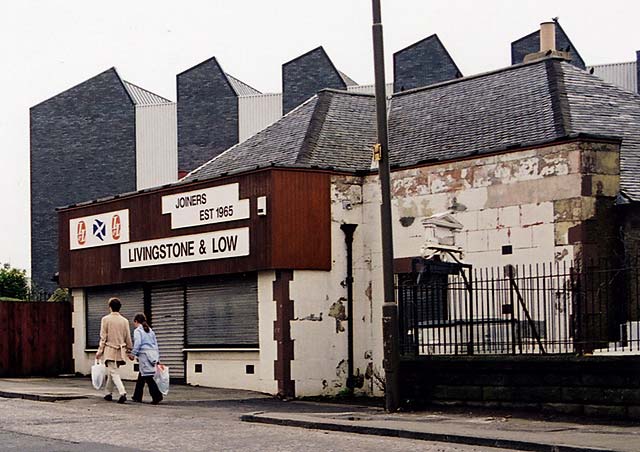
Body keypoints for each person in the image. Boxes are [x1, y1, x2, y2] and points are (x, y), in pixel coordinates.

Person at [95, 297, 132, 404]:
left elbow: (103, 337)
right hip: (120, 350)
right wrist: (129, 349)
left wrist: (100, 351)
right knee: (112, 371)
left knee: (113, 372)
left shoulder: (105, 319)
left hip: (110, 350)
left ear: (110, 307)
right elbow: (127, 337)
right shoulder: (124, 321)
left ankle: (122, 392)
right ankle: (108, 393)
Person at [128, 313, 163, 404]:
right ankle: (137, 396)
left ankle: (157, 396)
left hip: (144, 355)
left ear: (136, 321)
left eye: (134, 323)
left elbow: (138, 343)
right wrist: (157, 357)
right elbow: (155, 344)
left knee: (147, 376)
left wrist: (133, 354)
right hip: (152, 354)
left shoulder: (138, 331)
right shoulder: (150, 331)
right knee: (142, 376)